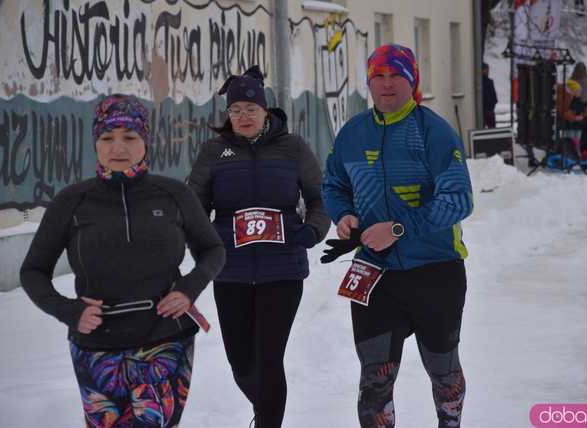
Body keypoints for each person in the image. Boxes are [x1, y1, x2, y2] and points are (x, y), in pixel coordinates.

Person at [20, 94, 225, 427]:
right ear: (96, 144)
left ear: (145, 140)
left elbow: (213, 250)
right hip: (97, 346)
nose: (119, 148)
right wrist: (69, 311)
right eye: (107, 138)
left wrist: (188, 289)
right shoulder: (71, 202)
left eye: (130, 137)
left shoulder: (174, 194)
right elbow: (33, 271)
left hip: (165, 341)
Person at [322, 44, 473, 428]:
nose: (387, 85)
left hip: (435, 271)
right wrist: (344, 215)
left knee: (443, 373)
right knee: (374, 379)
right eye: (378, 76)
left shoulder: (433, 131)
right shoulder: (353, 134)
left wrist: (399, 228)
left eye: (396, 76)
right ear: (369, 83)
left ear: (412, 81)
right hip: (375, 275)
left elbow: (458, 200)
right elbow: (334, 184)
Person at [188, 65, 330, 428]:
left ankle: (267, 422)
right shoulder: (213, 152)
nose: (244, 116)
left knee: (268, 359)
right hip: (231, 270)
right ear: (228, 114)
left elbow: (319, 198)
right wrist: (205, 247)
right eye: (236, 110)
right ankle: (265, 410)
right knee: (240, 362)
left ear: (266, 111)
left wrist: (311, 231)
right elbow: (194, 209)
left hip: (282, 268)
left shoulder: (293, 147)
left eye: (251, 109)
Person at [556, 79, 587, 159]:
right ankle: (569, 155)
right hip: (560, 123)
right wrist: (575, 117)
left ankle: (572, 153)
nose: (580, 93)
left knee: (574, 133)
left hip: (563, 122)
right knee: (572, 135)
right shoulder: (565, 96)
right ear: (573, 90)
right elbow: (562, 113)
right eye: (578, 91)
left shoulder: (569, 95)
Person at [482, 62, 498, 128]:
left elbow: (493, 95)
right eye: (486, 70)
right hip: (485, 109)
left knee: (492, 127)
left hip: (489, 109)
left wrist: (492, 105)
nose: (487, 71)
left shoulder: (490, 81)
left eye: (488, 70)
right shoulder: (481, 82)